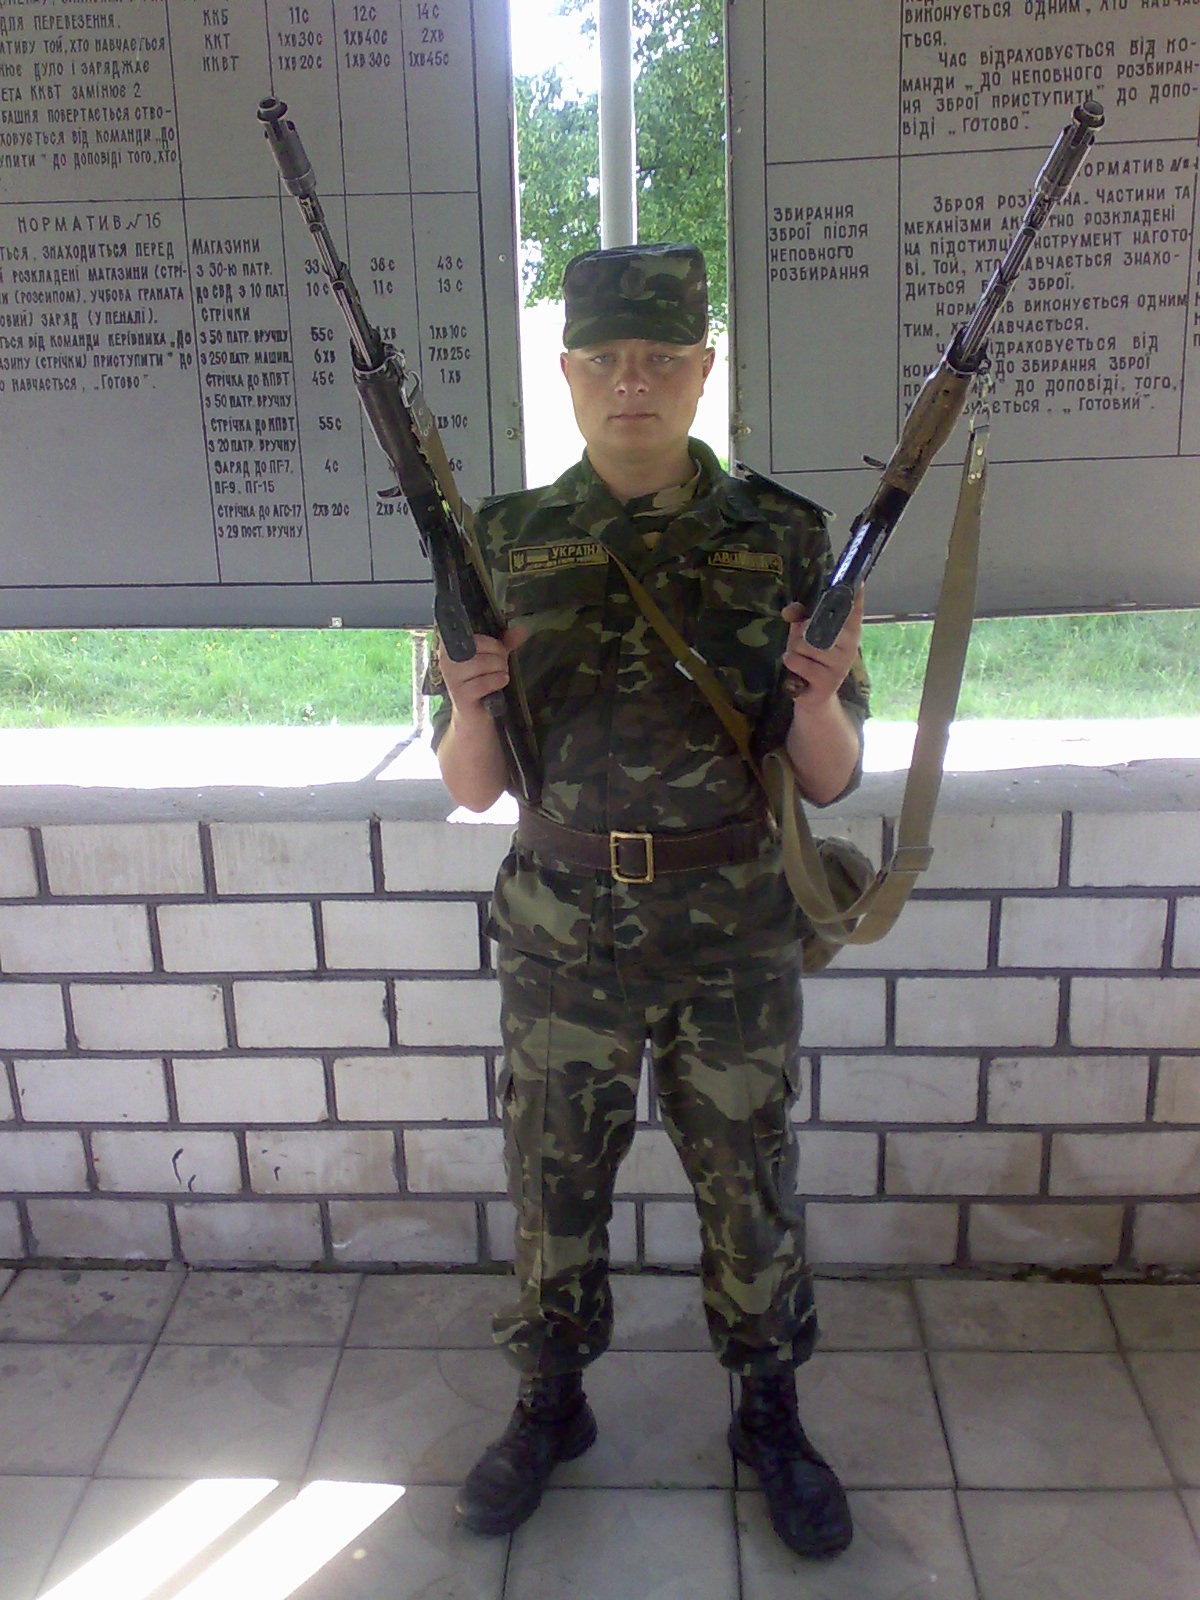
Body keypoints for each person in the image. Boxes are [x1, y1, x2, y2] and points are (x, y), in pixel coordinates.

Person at [426, 242, 869, 1559]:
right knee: (552, 1179)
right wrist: (467, 705)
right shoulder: (500, 541)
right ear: (568, 373)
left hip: (730, 929)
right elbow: (470, 787)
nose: (635, 381)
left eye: (662, 357)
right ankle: (550, 1402)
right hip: (562, 931)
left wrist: (816, 697)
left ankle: (769, 1414)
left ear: (702, 369)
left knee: (750, 1181)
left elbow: (832, 778)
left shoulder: (783, 536)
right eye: (608, 359)